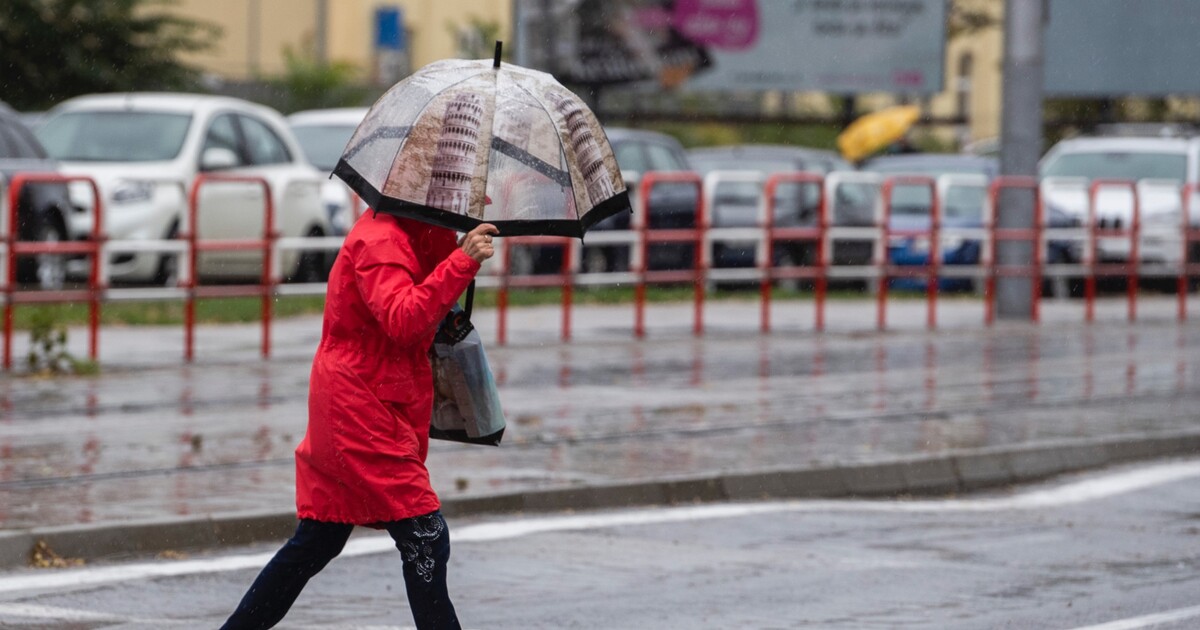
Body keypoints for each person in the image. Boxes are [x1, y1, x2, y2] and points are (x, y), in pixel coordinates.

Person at [221, 212, 499, 630]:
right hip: (359, 406)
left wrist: (456, 252)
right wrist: (461, 262)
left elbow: (424, 289)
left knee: (318, 541)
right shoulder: (378, 242)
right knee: (426, 536)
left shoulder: (413, 232)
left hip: (375, 399)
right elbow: (404, 320)